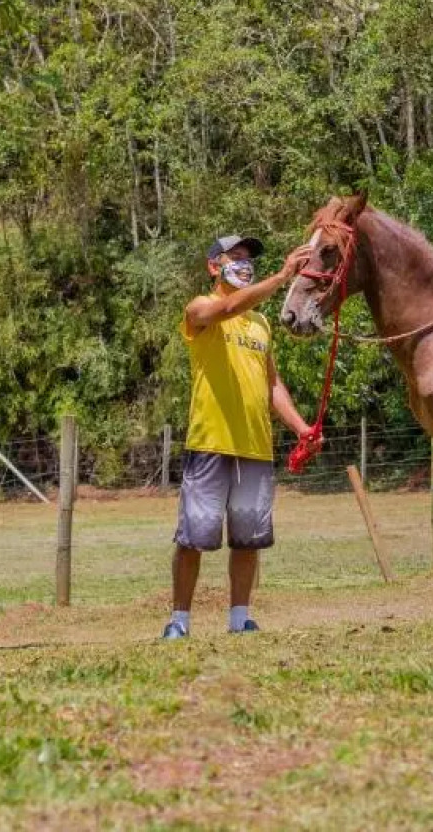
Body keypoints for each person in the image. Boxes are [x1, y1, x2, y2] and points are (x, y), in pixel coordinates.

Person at [162, 233, 317, 640]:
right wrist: (284, 276)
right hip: (209, 443)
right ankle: (179, 622)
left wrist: (301, 428)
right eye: (235, 257)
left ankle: (239, 619)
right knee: (194, 538)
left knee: (248, 540)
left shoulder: (262, 324)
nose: (245, 263)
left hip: (254, 447)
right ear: (215, 266)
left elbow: (272, 386)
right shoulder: (200, 309)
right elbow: (228, 306)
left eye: (249, 258)